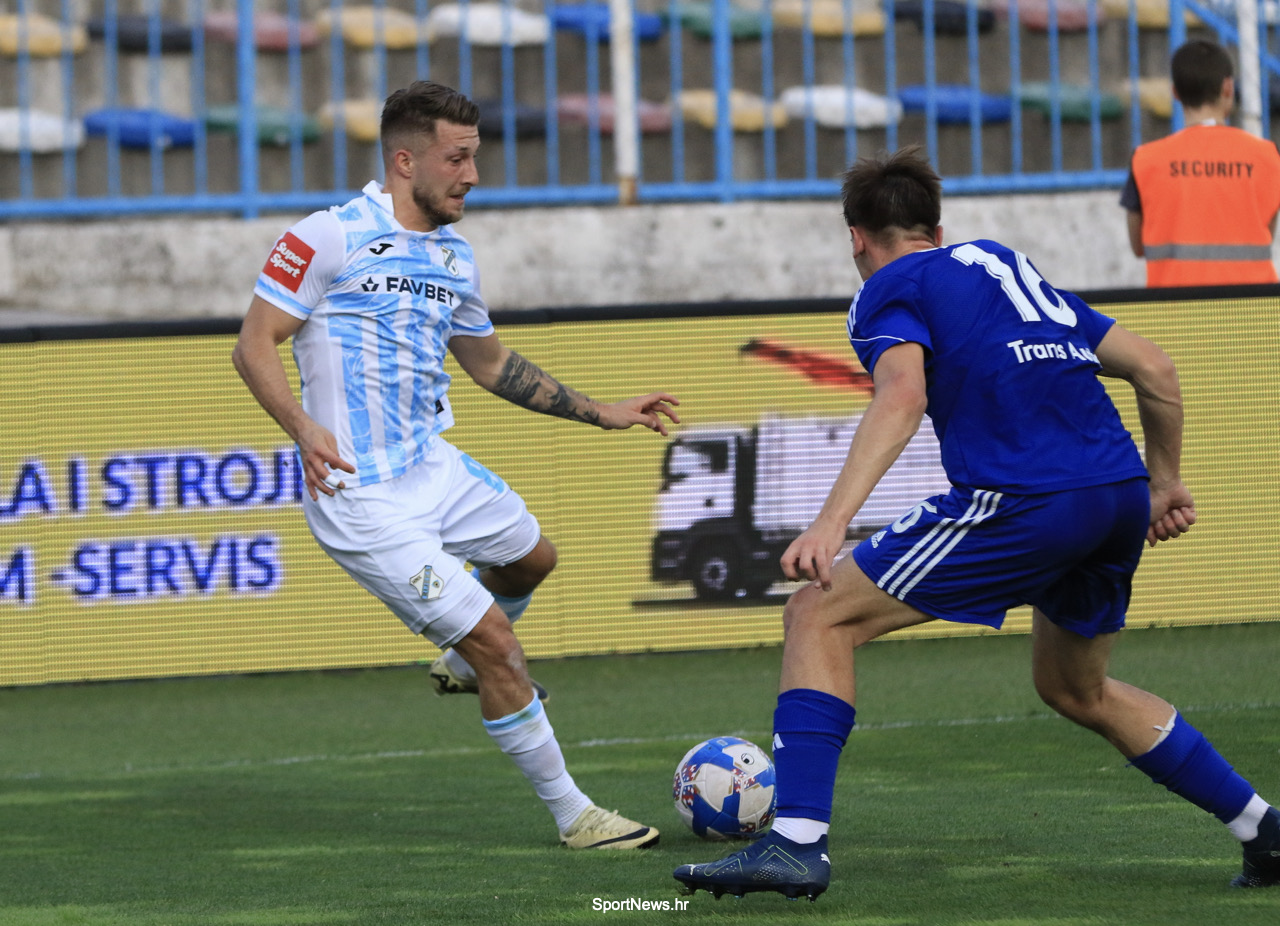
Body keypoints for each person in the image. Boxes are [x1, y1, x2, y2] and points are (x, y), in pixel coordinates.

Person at [674, 146, 1279, 901]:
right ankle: (1264, 829)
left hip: (1026, 497)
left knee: (817, 614)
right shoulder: (1008, 269)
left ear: (856, 237)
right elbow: (1154, 368)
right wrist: (1165, 482)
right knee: (1076, 688)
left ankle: (795, 843)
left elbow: (901, 396)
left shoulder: (888, 287)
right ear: (936, 225)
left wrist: (831, 522)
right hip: (1116, 494)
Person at [233, 80, 678, 850]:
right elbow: (253, 344)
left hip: (431, 468)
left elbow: (490, 363)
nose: (473, 175)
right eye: (459, 158)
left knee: (533, 559)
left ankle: (455, 657)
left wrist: (604, 412)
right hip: (361, 494)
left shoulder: (453, 255)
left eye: (474, 157)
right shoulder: (330, 236)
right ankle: (576, 816)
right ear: (406, 161)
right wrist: (303, 427)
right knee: (499, 643)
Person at [1120, 39, 1280, 287]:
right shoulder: (1267, 157)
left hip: (1174, 314)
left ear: (1175, 92)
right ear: (1228, 87)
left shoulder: (1145, 160)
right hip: (1254, 314)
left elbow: (1138, 246)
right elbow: (1267, 234)